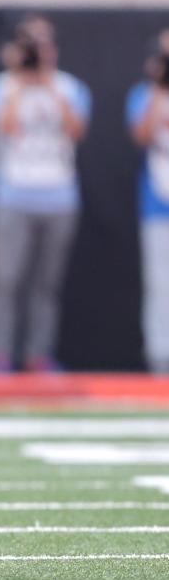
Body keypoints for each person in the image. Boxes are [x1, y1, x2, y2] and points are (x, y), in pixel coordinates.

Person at [0, 16, 90, 373]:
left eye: (43, 44)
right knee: (6, 281)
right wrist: (20, 80)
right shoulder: (0, 87)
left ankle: (37, 355)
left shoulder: (70, 88)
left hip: (58, 195)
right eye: (31, 44)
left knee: (46, 284)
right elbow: (6, 125)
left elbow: (76, 130)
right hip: (13, 194)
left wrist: (48, 84)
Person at [127, 31, 169, 374]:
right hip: (159, 202)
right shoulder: (145, 94)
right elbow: (141, 135)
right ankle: (161, 362)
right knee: (160, 285)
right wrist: (160, 88)